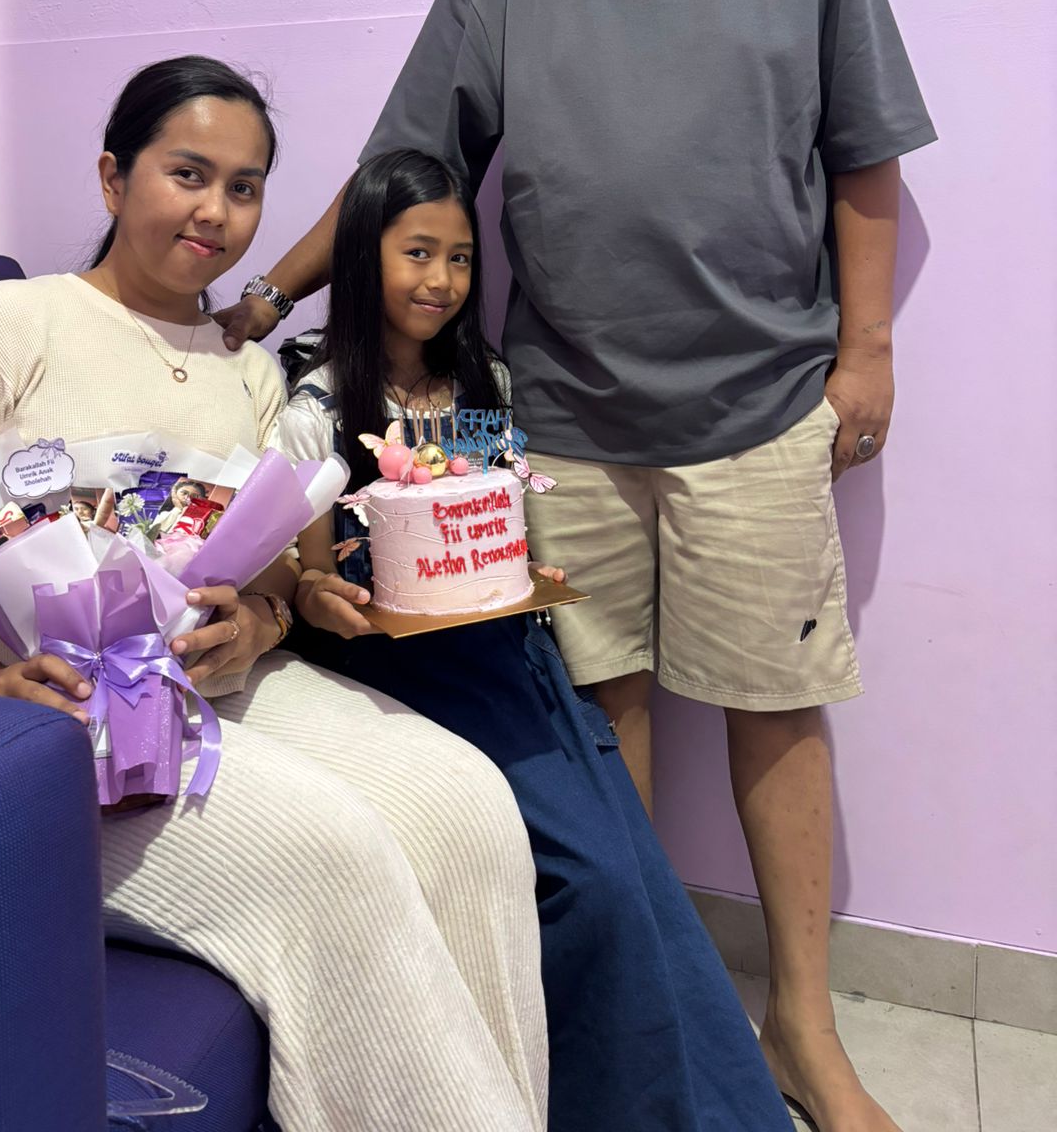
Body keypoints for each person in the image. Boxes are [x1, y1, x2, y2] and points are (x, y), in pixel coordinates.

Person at [217, 0, 937, 1132]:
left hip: (761, 408)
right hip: (560, 428)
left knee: (775, 707)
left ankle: (804, 1030)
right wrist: (272, 294)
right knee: (596, 725)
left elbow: (863, 154)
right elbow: (397, 170)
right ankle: (639, 1008)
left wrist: (866, 349)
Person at [0, 58, 548, 1132]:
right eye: (188, 174)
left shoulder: (249, 371)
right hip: (57, 729)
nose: (216, 211)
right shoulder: (7, 323)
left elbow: (269, 566)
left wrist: (262, 619)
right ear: (113, 177)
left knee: (469, 804)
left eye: (245, 187)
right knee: (332, 850)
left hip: (221, 687)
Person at [270, 147, 792, 1132]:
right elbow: (305, 577)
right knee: (587, 883)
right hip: (397, 679)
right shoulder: (316, 402)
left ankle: (705, 1107)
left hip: (516, 663)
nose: (441, 280)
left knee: (634, 876)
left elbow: (502, 532)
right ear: (361, 254)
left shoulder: (486, 381)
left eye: (461, 258)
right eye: (416, 252)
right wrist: (320, 594)